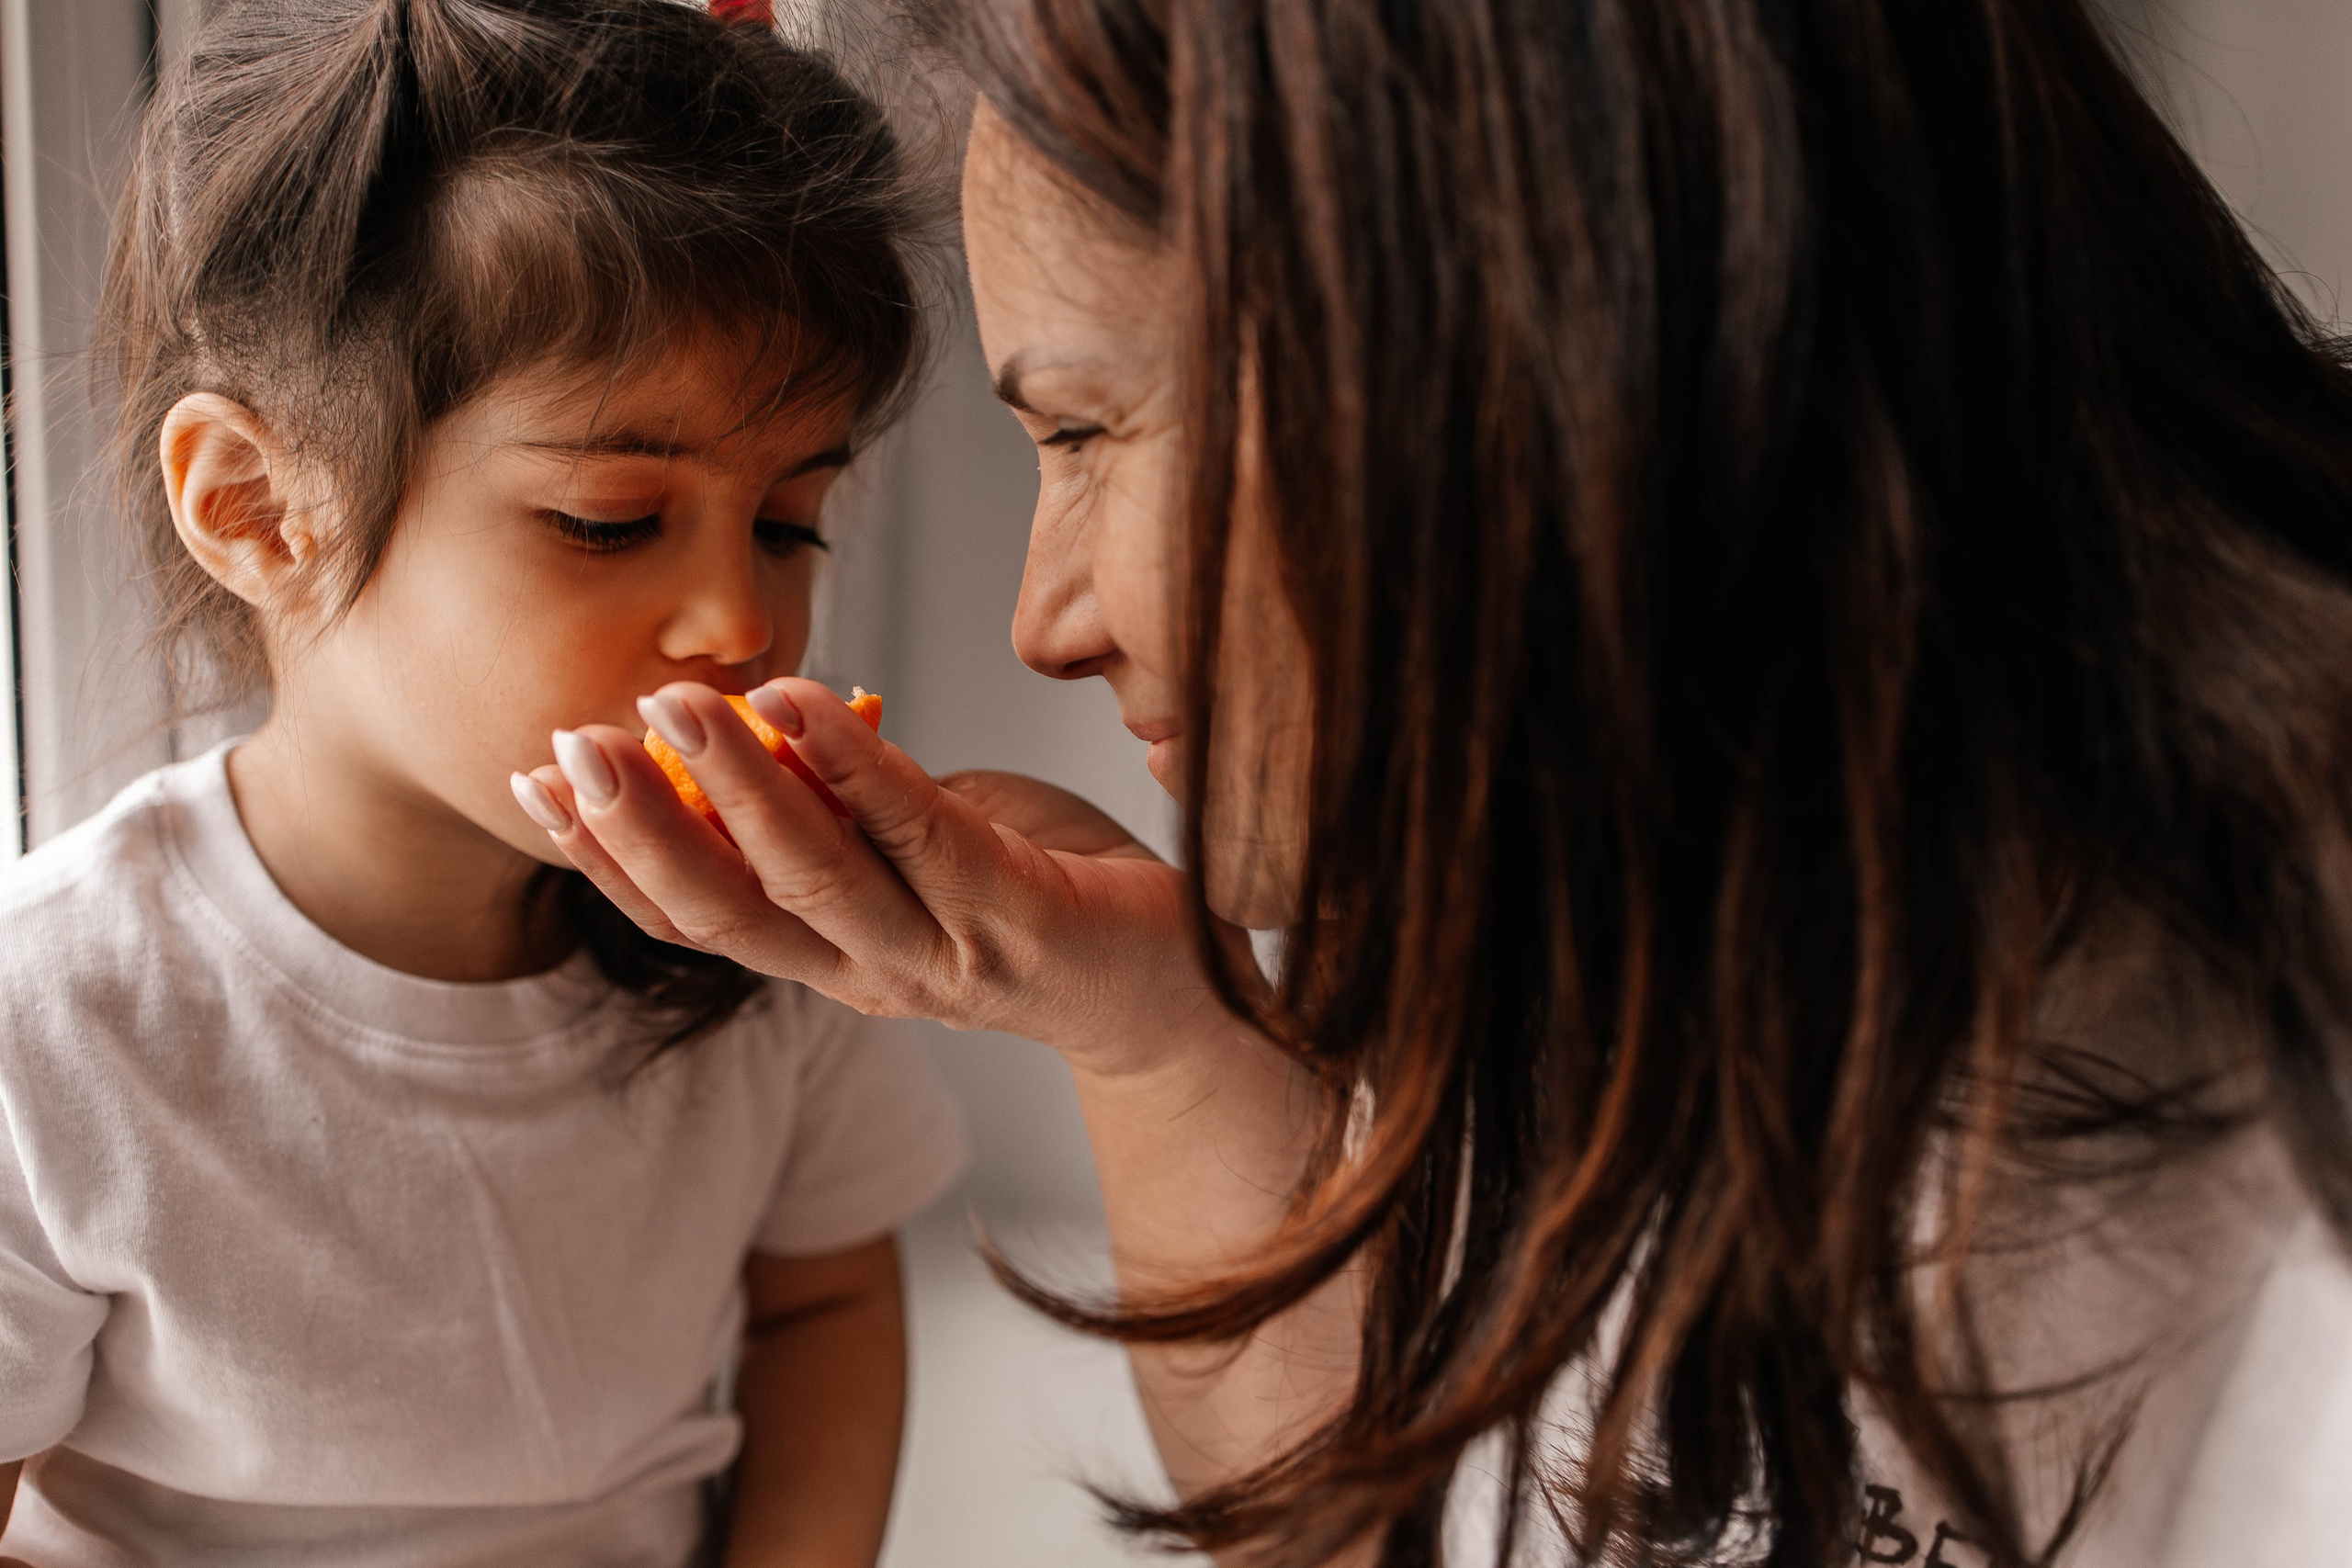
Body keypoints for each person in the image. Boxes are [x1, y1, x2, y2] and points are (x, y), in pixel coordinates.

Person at [529, 0, 2352, 1563]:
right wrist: (1146, 1026)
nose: (1042, 621)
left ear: (1504, 332)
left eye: (1082, 429)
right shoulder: (1592, 871)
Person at [0, 3, 964, 1564]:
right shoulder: (53, 1021)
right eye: (605, 520)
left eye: (791, 523)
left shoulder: (784, 936)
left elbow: (829, 1300)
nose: (739, 623)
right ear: (257, 509)